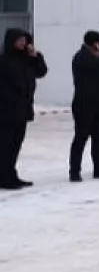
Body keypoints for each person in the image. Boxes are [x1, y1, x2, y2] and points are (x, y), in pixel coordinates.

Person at [1, 28, 48, 190]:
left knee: (16, 144)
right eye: (20, 40)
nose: (23, 43)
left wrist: (36, 57)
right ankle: (4, 177)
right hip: (7, 110)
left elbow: (41, 72)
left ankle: (11, 174)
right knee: (5, 145)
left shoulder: (27, 59)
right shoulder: (4, 60)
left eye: (25, 40)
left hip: (23, 108)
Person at [70, 30, 99, 182]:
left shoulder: (95, 57)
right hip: (85, 104)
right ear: (94, 44)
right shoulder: (82, 57)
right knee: (81, 137)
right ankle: (74, 171)